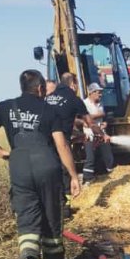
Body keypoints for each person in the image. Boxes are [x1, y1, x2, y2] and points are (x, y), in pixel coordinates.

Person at [0, 69, 81, 259]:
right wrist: (72, 174)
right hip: (47, 164)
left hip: (19, 165)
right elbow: (61, 144)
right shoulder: (49, 109)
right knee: (51, 212)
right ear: (40, 88)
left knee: (27, 216)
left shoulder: (6, 106)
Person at [45, 73, 93, 203]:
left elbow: (60, 120)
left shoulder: (47, 98)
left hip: (42, 143)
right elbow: (90, 123)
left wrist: (79, 135)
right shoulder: (74, 100)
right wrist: (101, 134)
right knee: (64, 170)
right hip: (59, 143)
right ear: (73, 84)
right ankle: (64, 204)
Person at [83, 83, 115, 181]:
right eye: (98, 92)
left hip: (101, 133)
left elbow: (103, 117)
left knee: (108, 156)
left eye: (101, 93)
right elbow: (85, 118)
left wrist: (105, 122)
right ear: (91, 93)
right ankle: (88, 179)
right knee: (90, 158)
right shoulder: (84, 104)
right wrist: (99, 114)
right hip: (90, 134)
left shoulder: (101, 104)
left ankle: (110, 174)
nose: (100, 95)